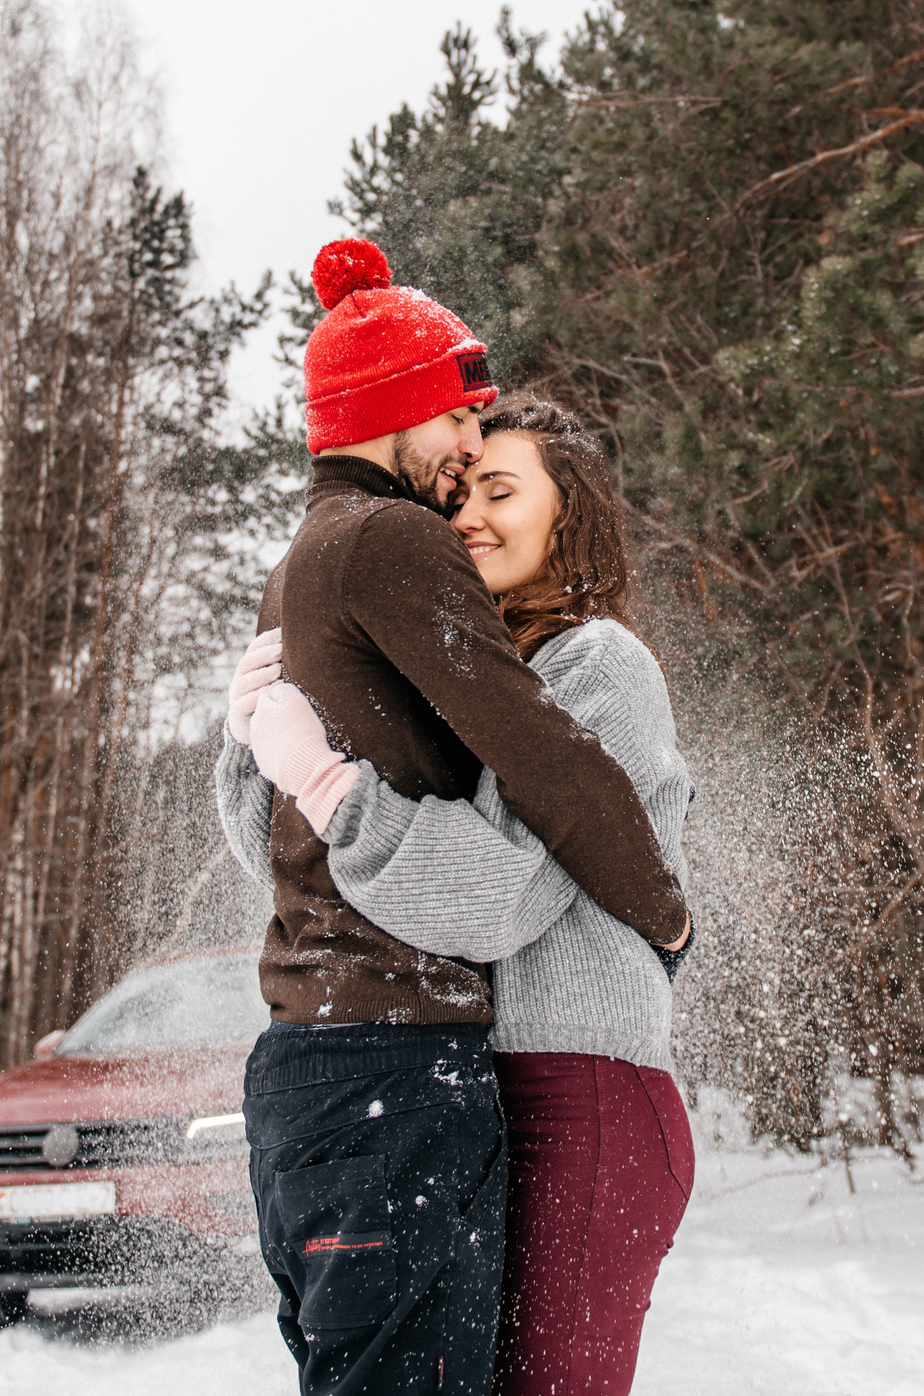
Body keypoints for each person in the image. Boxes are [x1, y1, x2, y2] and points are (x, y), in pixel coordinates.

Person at [217, 240, 691, 1396]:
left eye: (501, 488)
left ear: (568, 523)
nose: (468, 503)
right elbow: (292, 857)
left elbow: (497, 897)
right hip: (465, 1074)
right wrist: (248, 751)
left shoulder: (596, 665)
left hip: (575, 1083)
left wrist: (666, 919)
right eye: (464, 473)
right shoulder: (423, 641)